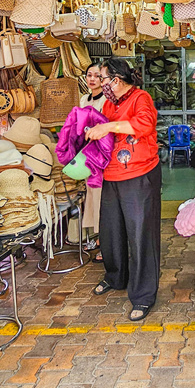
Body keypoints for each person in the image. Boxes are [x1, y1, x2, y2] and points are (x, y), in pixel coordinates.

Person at [85, 57, 160, 321]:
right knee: (111, 232)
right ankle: (115, 277)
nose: (101, 84)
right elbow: (103, 132)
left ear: (116, 80)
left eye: (103, 78)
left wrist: (108, 126)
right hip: (111, 174)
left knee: (141, 235)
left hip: (139, 174)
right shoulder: (109, 103)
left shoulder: (140, 98)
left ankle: (143, 295)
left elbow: (144, 125)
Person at [79, 62, 106, 262]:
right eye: (89, 75)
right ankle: (101, 238)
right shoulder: (84, 99)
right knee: (93, 198)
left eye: (97, 76)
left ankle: (107, 242)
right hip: (88, 154)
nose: (92, 79)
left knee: (102, 199)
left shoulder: (107, 100)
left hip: (102, 156)